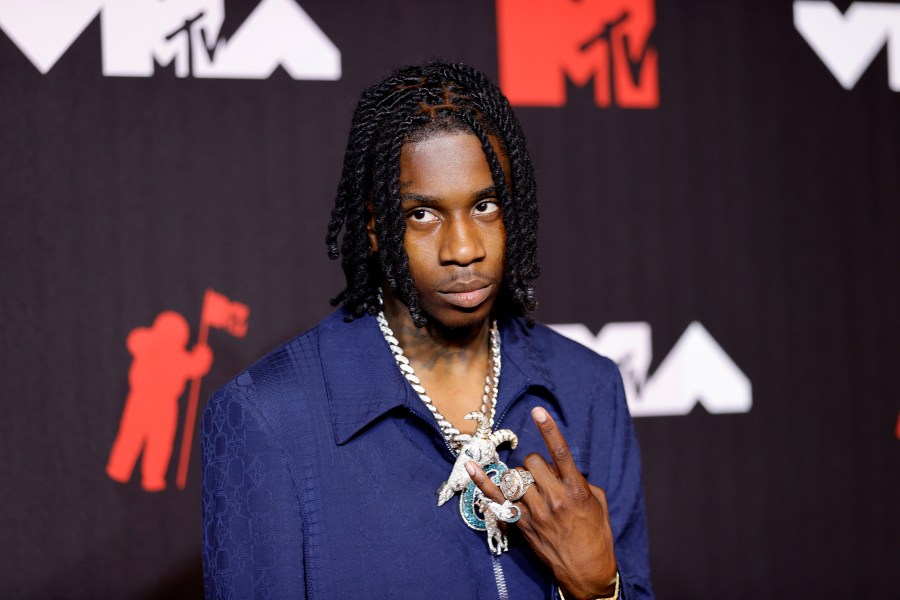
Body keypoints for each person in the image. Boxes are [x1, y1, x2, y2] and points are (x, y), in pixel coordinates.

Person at [201, 62, 653, 599]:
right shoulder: (268, 416)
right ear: (375, 228)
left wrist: (601, 587)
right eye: (423, 216)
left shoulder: (588, 388)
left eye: (485, 206)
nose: (464, 249)